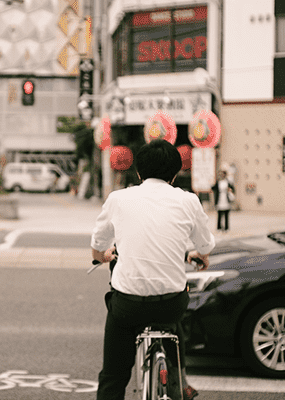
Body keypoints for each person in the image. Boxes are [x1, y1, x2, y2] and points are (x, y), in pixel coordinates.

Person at [91, 139, 215, 400]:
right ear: (174, 173)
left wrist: (101, 256)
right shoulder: (188, 201)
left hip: (128, 305)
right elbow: (205, 244)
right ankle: (179, 381)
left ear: (138, 172)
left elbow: (98, 244)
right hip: (171, 302)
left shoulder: (119, 198)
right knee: (173, 314)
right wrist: (200, 256)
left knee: (113, 376)